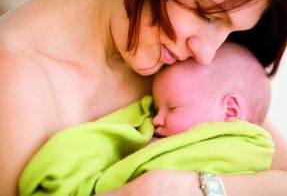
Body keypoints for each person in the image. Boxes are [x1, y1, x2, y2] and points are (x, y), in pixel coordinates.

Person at [0, 0, 287, 195]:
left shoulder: (180, 69)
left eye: (229, 29)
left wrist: (193, 188)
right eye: (206, 13)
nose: (207, 54)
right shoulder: (12, 84)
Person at [19, 42, 274, 195]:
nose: (155, 120)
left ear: (230, 111)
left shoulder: (246, 148)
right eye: (157, 108)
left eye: (172, 108)